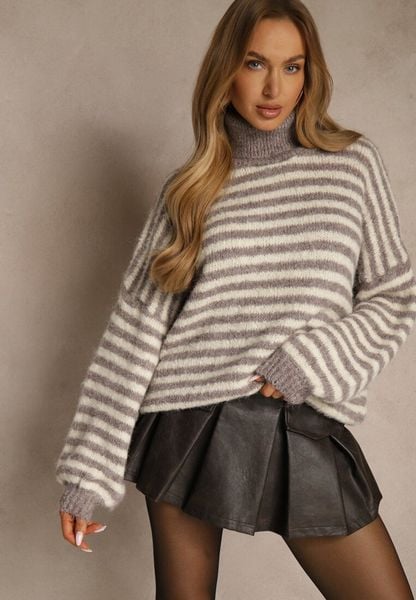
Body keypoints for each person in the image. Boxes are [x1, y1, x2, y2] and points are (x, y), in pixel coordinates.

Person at [56, 1, 416, 597]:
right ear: (226, 68)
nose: (274, 88)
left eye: (292, 66)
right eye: (255, 63)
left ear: (310, 74)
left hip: (300, 415)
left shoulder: (351, 165)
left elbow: (393, 294)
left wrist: (312, 360)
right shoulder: (190, 189)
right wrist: (87, 474)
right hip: (186, 419)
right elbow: (134, 330)